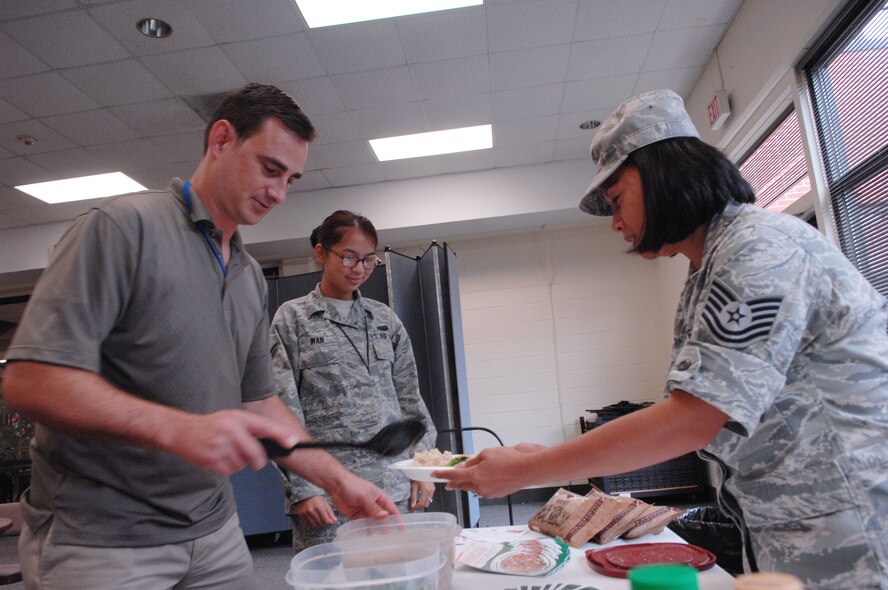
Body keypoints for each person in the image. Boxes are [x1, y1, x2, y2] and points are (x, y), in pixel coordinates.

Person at [436, 90, 888, 590]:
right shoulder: (706, 268)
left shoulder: (758, 247)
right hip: (790, 517)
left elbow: (692, 419)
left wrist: (528, 471)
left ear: (663, 176)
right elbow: (691, 412)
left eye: (616, 201)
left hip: (856, 515)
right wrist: (539, 459)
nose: (616, 223)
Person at [0, 83, 397, 590]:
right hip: (101, 538)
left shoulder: (249, 275)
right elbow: (31, 382)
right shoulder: (123, 228)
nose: (279, 192)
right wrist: (178, 429)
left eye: (291, 178)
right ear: (221, 139)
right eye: (269, 168)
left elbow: (260, 403)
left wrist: (339, 480)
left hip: (211, 528)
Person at [270, 210, 437, 551]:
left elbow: (410, 400)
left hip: (392, 487)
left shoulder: (383, 319)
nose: (359, 268)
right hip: (329, 493)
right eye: (348, 257)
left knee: (396, 576)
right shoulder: (293, 319)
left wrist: (423, 467)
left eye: (368, 260)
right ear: (321, 253)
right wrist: (304, 488)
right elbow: (281, 411)